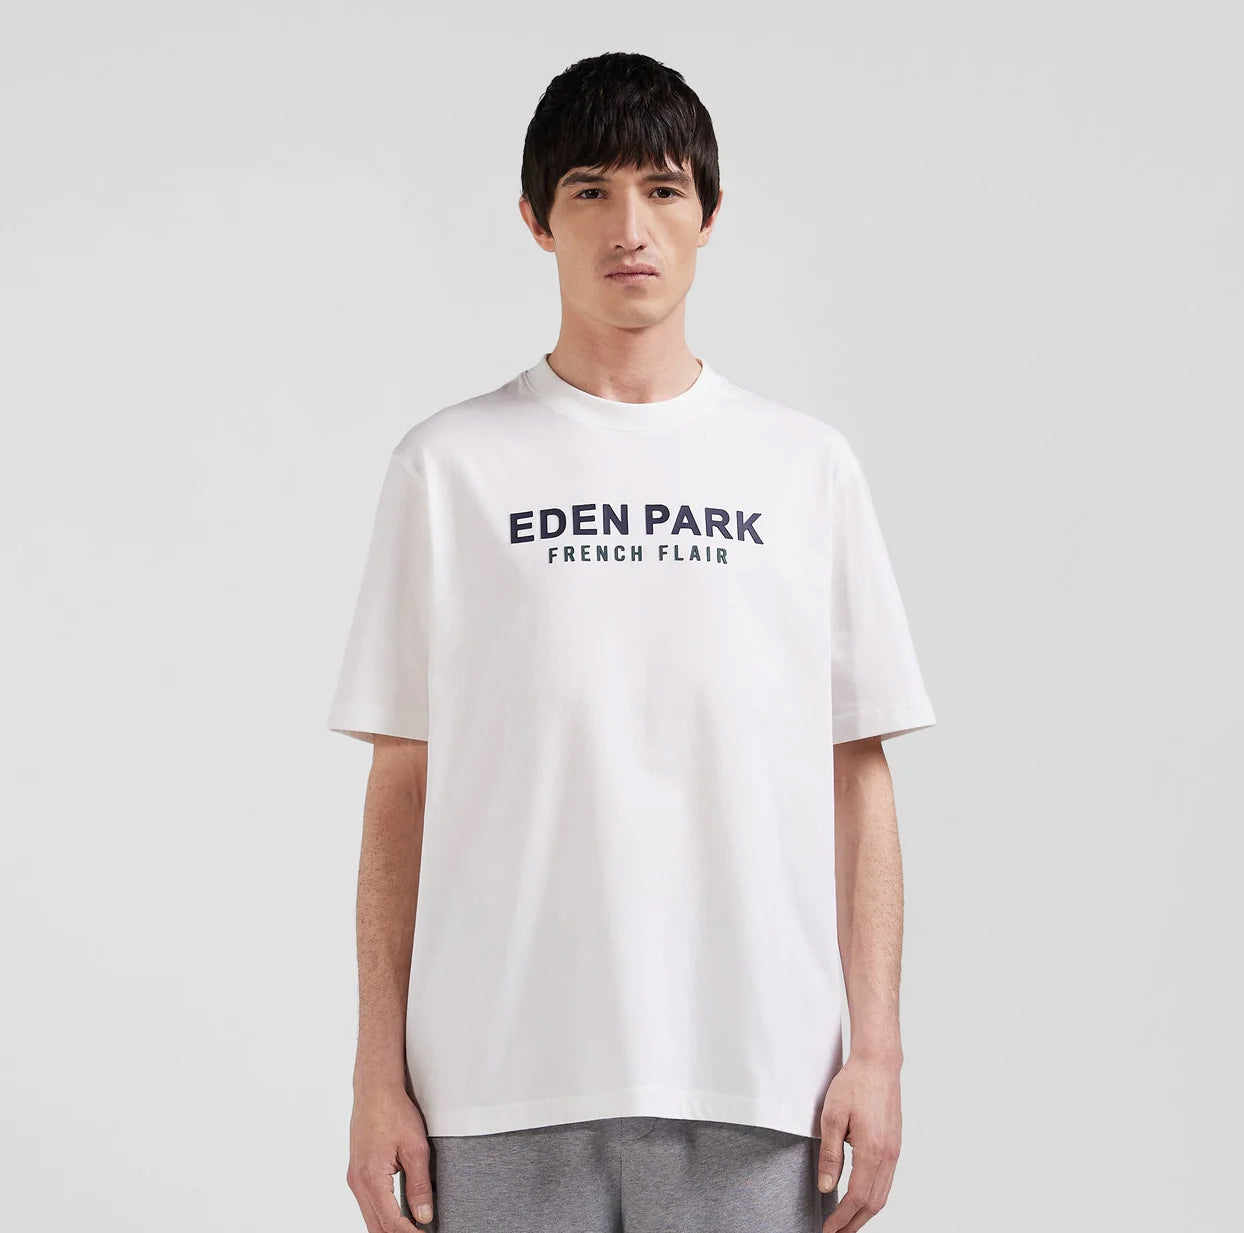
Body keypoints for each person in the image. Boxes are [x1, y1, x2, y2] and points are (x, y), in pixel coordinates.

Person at [328, 51, 936, 1233]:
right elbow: (402, 781)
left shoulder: (803, 469)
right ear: (534, 219)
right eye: (588, 192)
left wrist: (878, 1055)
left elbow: (855, 773)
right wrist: (373, 1074)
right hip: (494, 1086)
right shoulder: (448, 468)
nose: (628, 228)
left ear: (708, 214)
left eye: (661, 190)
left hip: (761, 1081)